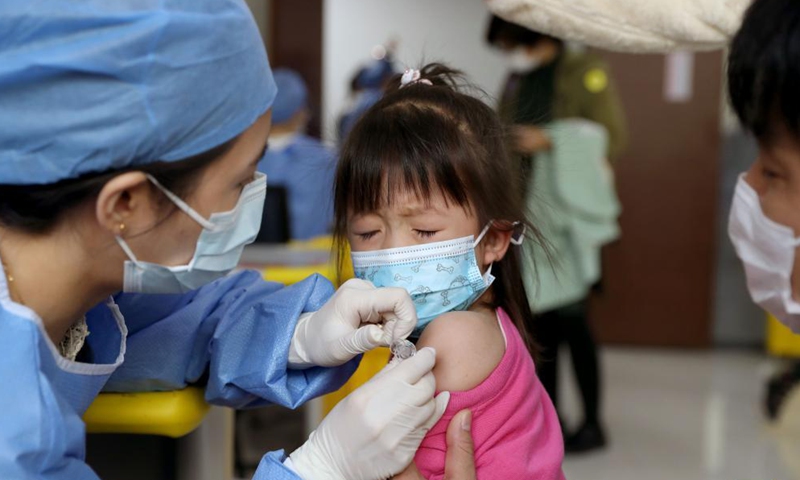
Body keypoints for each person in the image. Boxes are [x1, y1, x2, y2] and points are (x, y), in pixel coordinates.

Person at [0, 2, 468, 479]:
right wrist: (320, 467)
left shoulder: (85, 296)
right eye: (240, 181)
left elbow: (181, 321)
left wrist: (299, 334)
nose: (251, 200)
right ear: (126, 204)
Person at [334, 64, 565, 479]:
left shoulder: (452, 337)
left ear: (494, 239)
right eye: (368, 232)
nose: (393, 254)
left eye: (424, 230)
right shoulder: (489, 324)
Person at [487, 15, 626, 453]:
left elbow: (611, 137)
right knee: (537, 322)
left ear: (534, 34)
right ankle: (550, 418)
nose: (510, 53)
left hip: (564, 217)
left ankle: (592, 422)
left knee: (573, 319)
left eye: (511, 43)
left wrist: (549, 140)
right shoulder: (516, 77)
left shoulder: (584, 72)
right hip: (524, 214)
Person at [259, 68, 336, 241]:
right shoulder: (324, 160)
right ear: (300, 111)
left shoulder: (244, 157)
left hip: (250, 256)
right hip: (312, 256)